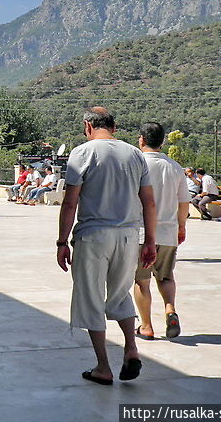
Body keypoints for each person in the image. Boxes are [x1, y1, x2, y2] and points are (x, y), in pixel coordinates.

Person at [56, 107, 157, 385]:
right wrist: (149, 241)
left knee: (90, 297)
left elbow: (70, 202)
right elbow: (149, 201)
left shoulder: (82, 153)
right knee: (120, 293)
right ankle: (131, 349)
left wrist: (62, 242)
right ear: (114, 126)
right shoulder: (134, 154)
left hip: (93, 236)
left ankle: (103, 366)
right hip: (128, 236)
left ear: (88, 126)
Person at [133, 123, 190, 340]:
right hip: (168, 232)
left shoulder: (136, 164)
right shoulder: (174, 167)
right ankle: (170, 309)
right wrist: (181, 226)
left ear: (141, 140)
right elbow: (184, 201)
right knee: (165, 276)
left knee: (141, 280)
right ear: (163, 141)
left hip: (141, 231)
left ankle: (146, 326)